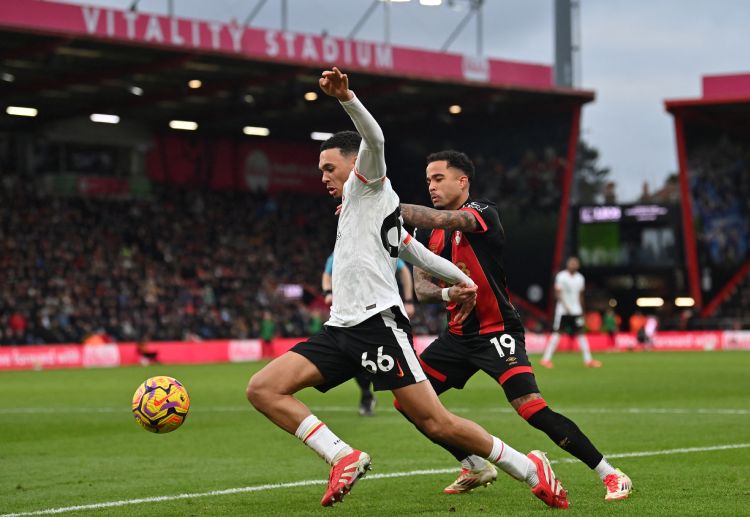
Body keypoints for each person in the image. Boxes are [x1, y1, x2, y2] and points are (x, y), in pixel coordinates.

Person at [246, 68, 569, 509]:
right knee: (263, 388)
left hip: (378, 324)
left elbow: (375, 139)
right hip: (341, 328)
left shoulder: (367, 183)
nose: (321, 176)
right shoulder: (361, 210)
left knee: (435, 422)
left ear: (354, 164)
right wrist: (462, 280)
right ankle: (342, 455)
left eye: (328, 167)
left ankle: (530, 467)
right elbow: (413, 252)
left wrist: (346, 98)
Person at [399, 150, 632, 501]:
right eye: (428, 180)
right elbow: (422, 289)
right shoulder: (427, 233)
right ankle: (474, 464)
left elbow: (446, 220)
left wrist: (384, 206)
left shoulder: (482, 212)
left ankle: (611, 474)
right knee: (409, 404)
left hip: (497, 332)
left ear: (462, 181)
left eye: (438, 178)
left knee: (531, 408)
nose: (431, 186)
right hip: (458, 338)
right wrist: (449, 290)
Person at [323, 252, 416, 416]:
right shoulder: (340, 251)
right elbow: (326, 274)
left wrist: (408, 300)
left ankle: (412, 396)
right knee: (355, 356)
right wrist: (328, 292)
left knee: (385, 355)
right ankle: (367, 394)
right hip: (351, 314)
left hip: (381, 311)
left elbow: (404, 271)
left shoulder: (377, 247)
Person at [540, 257, 603, 368]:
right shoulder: (561, 276)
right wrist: (566, 306)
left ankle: (588, 360)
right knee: (557, 334)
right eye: (571, 263)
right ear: (567, 264)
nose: (573, 265)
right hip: (563, 311)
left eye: (575, 263)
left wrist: (582, 311)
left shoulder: (580, 278)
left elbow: (580, 296)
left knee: (581, 334)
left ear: (578, 265)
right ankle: (546, 359)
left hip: (576, 311)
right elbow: (557, 293)